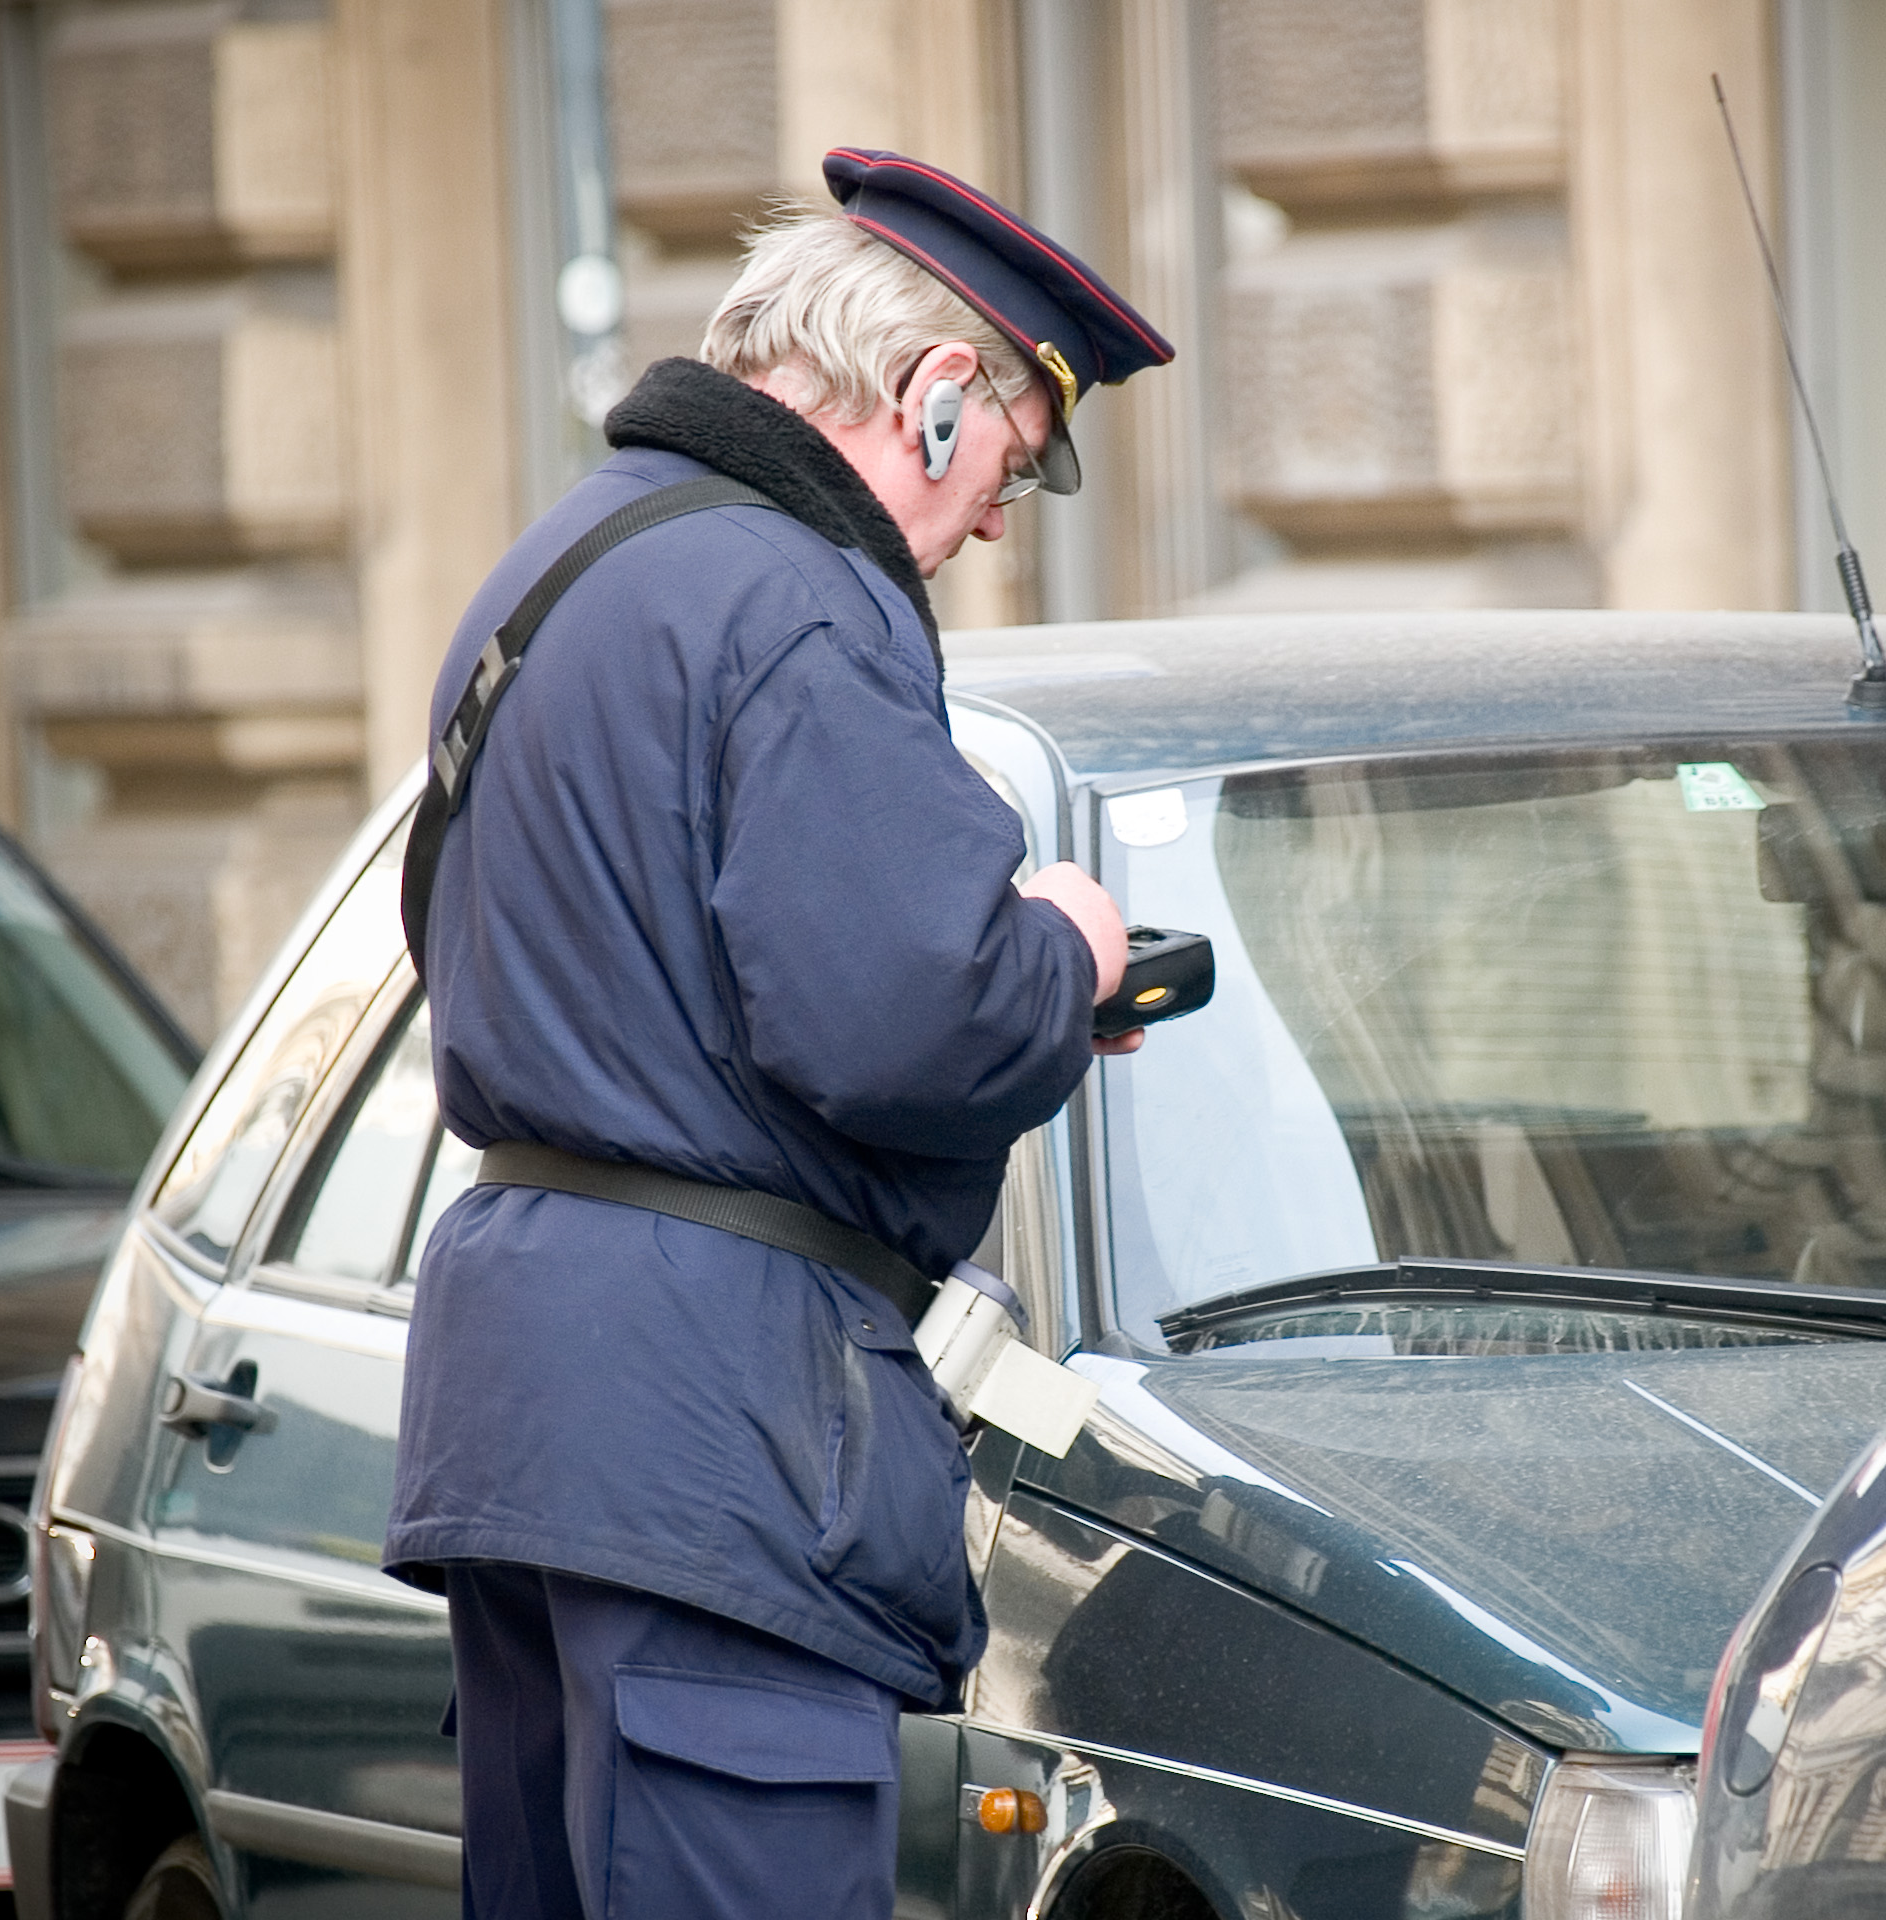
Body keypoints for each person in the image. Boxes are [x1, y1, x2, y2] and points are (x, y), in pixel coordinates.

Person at [383, 148, 1176, 1920]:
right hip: (714, 1440)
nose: (987, 530)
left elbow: (489, 943)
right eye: (1014, 482)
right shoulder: (804, 602)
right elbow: (913, 1021)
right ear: (940, 396)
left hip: (529, 1416)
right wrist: (1059, 954)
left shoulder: (557, 569)